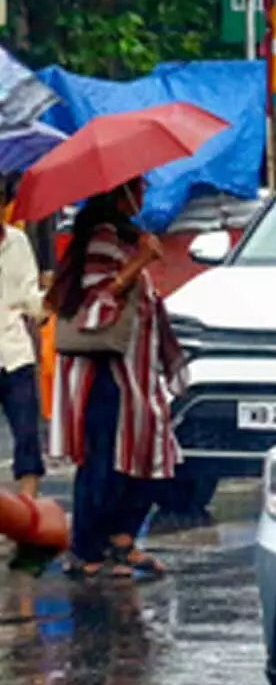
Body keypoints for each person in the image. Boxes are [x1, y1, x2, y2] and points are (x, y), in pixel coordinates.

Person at [46, 178, 182, 579]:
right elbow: (96, 304)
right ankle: (86, 548)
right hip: (103, 372)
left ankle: (121, 539)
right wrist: (138, 263)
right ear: (119, 193)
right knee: (103, 460)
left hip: (135, 374)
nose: (143, 196)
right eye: (137, 188)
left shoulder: (126, 237)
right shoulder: (103, 239)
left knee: (145, 452)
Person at [0, 185, 47, 499]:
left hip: (14, 350)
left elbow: (32, 299)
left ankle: (28, 506)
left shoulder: (17, 242)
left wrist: (51, 298)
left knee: (27, 432)